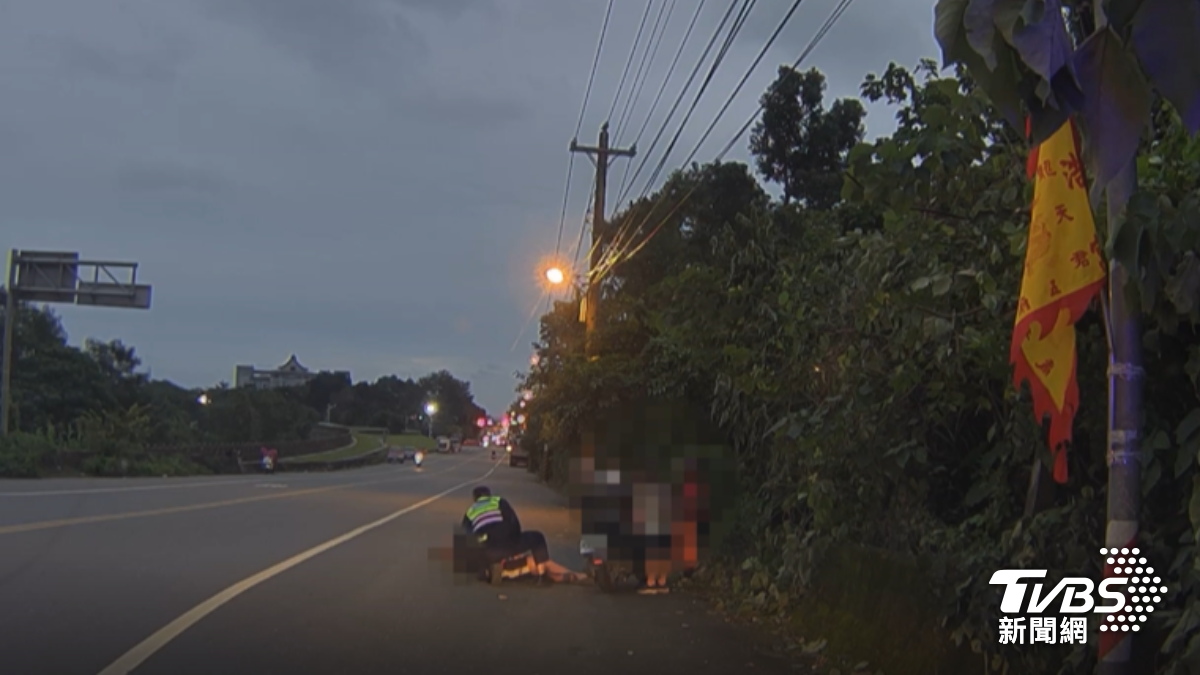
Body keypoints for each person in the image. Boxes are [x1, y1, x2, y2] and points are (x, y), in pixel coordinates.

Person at [461, 486, 585, 583]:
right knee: (537, 538)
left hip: (488, 550)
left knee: (526, 561)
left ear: (474, 498)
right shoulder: (498, 501)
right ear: (489, 495)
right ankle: (543, 573)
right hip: (508, 544)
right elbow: (513, 521)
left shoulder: (470, 512)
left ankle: (488, 569)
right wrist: (515, 540)